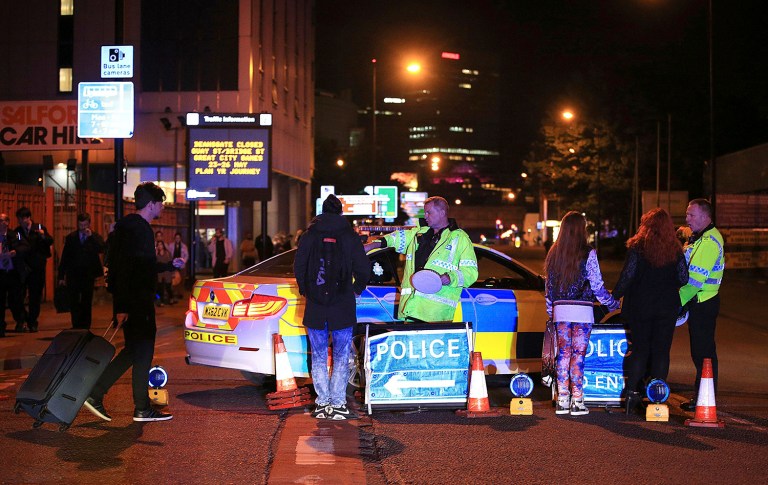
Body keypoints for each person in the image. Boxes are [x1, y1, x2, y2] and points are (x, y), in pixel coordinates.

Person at [83, 182, 183, 423]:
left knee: (132, 352)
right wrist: (124, 307)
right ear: (151, 204)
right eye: (160, 203)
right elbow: (130, 270)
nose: (162, 207)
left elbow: (127, 268)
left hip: (131, 302)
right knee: (143, 350)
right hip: (137, 302)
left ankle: (98, 393)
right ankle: (140, 408)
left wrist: (168, 265)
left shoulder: (125, 229)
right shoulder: (140, 231)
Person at [294, 195, 370, 420]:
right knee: (341, 354)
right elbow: (363, 268)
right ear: (340, 212)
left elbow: (299, 266)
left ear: (322, 211)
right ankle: (337, 404)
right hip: (342, 304)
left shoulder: (309, 236)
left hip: (316, 306)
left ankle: (322, 403)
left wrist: (305, 289)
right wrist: (356, 289)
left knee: (318, 355)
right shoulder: (350, 237)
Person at [612, 208, 688, 414]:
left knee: (640, 350)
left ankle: (630, 396)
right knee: (661, 352)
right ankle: (657, 398)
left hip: (640, 307)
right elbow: (684, 278)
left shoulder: (637, 247)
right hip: (666, 308)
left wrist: (613, 296)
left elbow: (627, 276)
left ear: (645, 225)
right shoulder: (675, 249)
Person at [544, 211, 619, 416]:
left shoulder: (554, 253)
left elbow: (549, 288)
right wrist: (611, 303)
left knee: (563, 354)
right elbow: (597, 286)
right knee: (578, 355)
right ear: (581, 229)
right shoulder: (589, 253)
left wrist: (551, 311)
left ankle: (562, 400)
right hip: (583, 311)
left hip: (561, 310)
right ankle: (577, 401)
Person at [363, 196, 478, 322]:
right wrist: (372, 245)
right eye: (425, 213)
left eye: (429, 212)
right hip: (411, 309)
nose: (426, 216)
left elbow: (471, 272)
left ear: (442, 213)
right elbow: (395, 239)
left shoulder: (459, 238)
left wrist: (451, 277)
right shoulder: (419, 234)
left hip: (435, 315)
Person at [678, 198, 724, 412]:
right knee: (701, 352)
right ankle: (704, 396)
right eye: (687, 215)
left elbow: (694, 281)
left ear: (706, 217)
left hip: (703, 302)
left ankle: (705, 398)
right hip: (701, 302)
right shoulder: (701, 237)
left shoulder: (708, 243)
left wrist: (674, 302)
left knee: (703, 353)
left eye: (691, 215)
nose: (687, 219)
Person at [57, 213, 106, 329]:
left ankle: (86, 325)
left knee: (86, 300)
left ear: (89, 224)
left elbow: (101, 248)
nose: (83, 227)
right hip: (73, 273)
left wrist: (91, 237)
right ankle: (76, 324)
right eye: (80, 224)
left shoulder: (94, 237)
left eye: (85, 224)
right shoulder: (71, 238)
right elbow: (65, 257)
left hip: (88, 274)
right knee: (74, 300)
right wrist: (61, 276)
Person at [13, 207, 53, 333]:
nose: (21, 221)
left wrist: (42, 236)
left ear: (28, 218)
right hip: (24, 267)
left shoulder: (39, 227)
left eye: (22, 219)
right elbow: (18, 244)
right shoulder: (18, 231)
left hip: (37, 266)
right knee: (18, 295)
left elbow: (50, 240)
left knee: (35, 296)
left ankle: (32, 321)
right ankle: (23, 318)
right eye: (19, 219)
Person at [0, 213, 25, 337]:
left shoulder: (15, 234)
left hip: (12, 272)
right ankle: (1, 326)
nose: (0, 223)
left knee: (14, 299)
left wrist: (16, 251)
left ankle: (20, 320)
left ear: (7, 222)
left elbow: (24, 246)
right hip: (1, 272)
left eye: (2, 221)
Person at [155, 240, 174, 306]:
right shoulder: (156, 254)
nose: (160, 246)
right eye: (158, 245)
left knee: (168, 287)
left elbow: (171, 263)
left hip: (167, 272)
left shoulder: (167, 253)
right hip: (160, 273)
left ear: (163, 245)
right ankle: (161, 301)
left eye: (161, 244)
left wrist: (172, 272)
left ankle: (171, 298)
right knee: (160, 288)